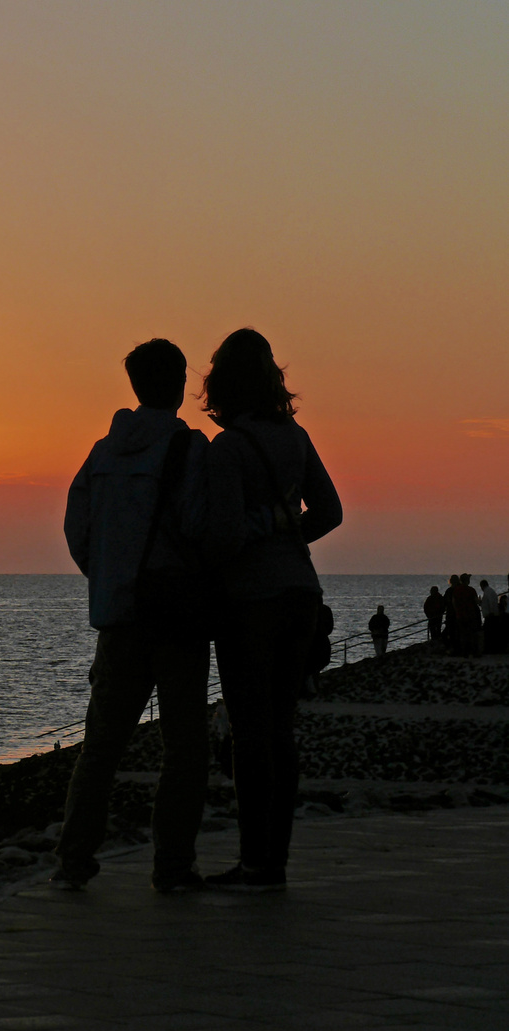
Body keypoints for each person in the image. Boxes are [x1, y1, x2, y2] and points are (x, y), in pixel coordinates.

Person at [57, 338, 212, 895]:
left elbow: (77, 531)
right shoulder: (190, 449)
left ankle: (73, 861)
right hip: (176, 617)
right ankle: (171, 865)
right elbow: (200, 526)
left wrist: (108, 577)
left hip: (118, 617)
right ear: (179, 382)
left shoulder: (102, 452)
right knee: (185, 746)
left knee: (101, 746)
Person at [203, 328, 342, 892]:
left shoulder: (228, 449)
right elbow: (329, 512)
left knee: (249, 731)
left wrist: (262, 531)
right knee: (280, 730)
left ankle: (254, 862)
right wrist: (291, 532)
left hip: (250, 601)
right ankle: (274, 863)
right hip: (301, 593)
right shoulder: (297, 436)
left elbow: (223, 536)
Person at [450, 573, 481, 657]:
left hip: (460, 615)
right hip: (471, 615)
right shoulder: (471, 590)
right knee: (472, 634)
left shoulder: (456, 590)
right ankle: (474, 652)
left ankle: (464, 652)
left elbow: (454, 602)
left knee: (463, 635)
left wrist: (457, 611)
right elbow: (476, 602)